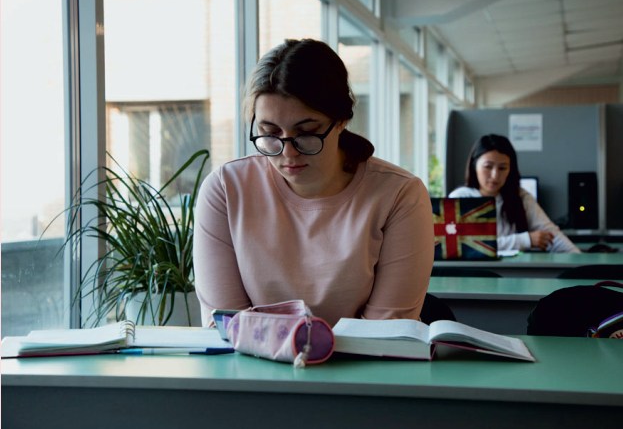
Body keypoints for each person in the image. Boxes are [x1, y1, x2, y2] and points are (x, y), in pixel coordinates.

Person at [193, 39, 434, 327]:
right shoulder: (225, 189)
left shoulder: (400, 195)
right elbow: (226, 325)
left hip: (364, 370)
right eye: (269, 133)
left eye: (307, 132)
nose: (287, 152)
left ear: (342, 119)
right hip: (252, 369)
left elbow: (385, 333)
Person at [449, 134, 580, 253]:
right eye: (488, 166)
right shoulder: (460, 198)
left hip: (514, 275)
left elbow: (552, 234)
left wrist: (578, 260)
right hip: (472, 275)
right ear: (474, 165)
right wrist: (525, 240)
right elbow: (467, 246)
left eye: (502, 168)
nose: (495, 176)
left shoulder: (520, 197)